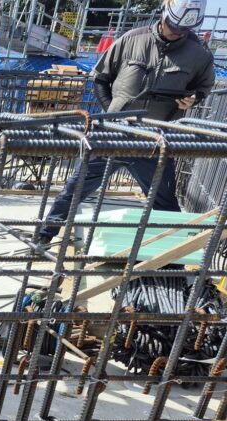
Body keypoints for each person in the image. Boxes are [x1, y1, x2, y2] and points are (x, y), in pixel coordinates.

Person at [36, 0, 214, 246]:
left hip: (155, 138)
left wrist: (193, 99)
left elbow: (203, 87)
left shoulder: (199, 54)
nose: (176, 33)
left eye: (183, 30)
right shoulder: (132, 39)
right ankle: (45, 233)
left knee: (164, 200)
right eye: (173, 26)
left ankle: (172, 252)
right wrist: (111, 114)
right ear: (163, 14)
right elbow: (101, 79)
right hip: (113, 133)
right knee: (75, 187)